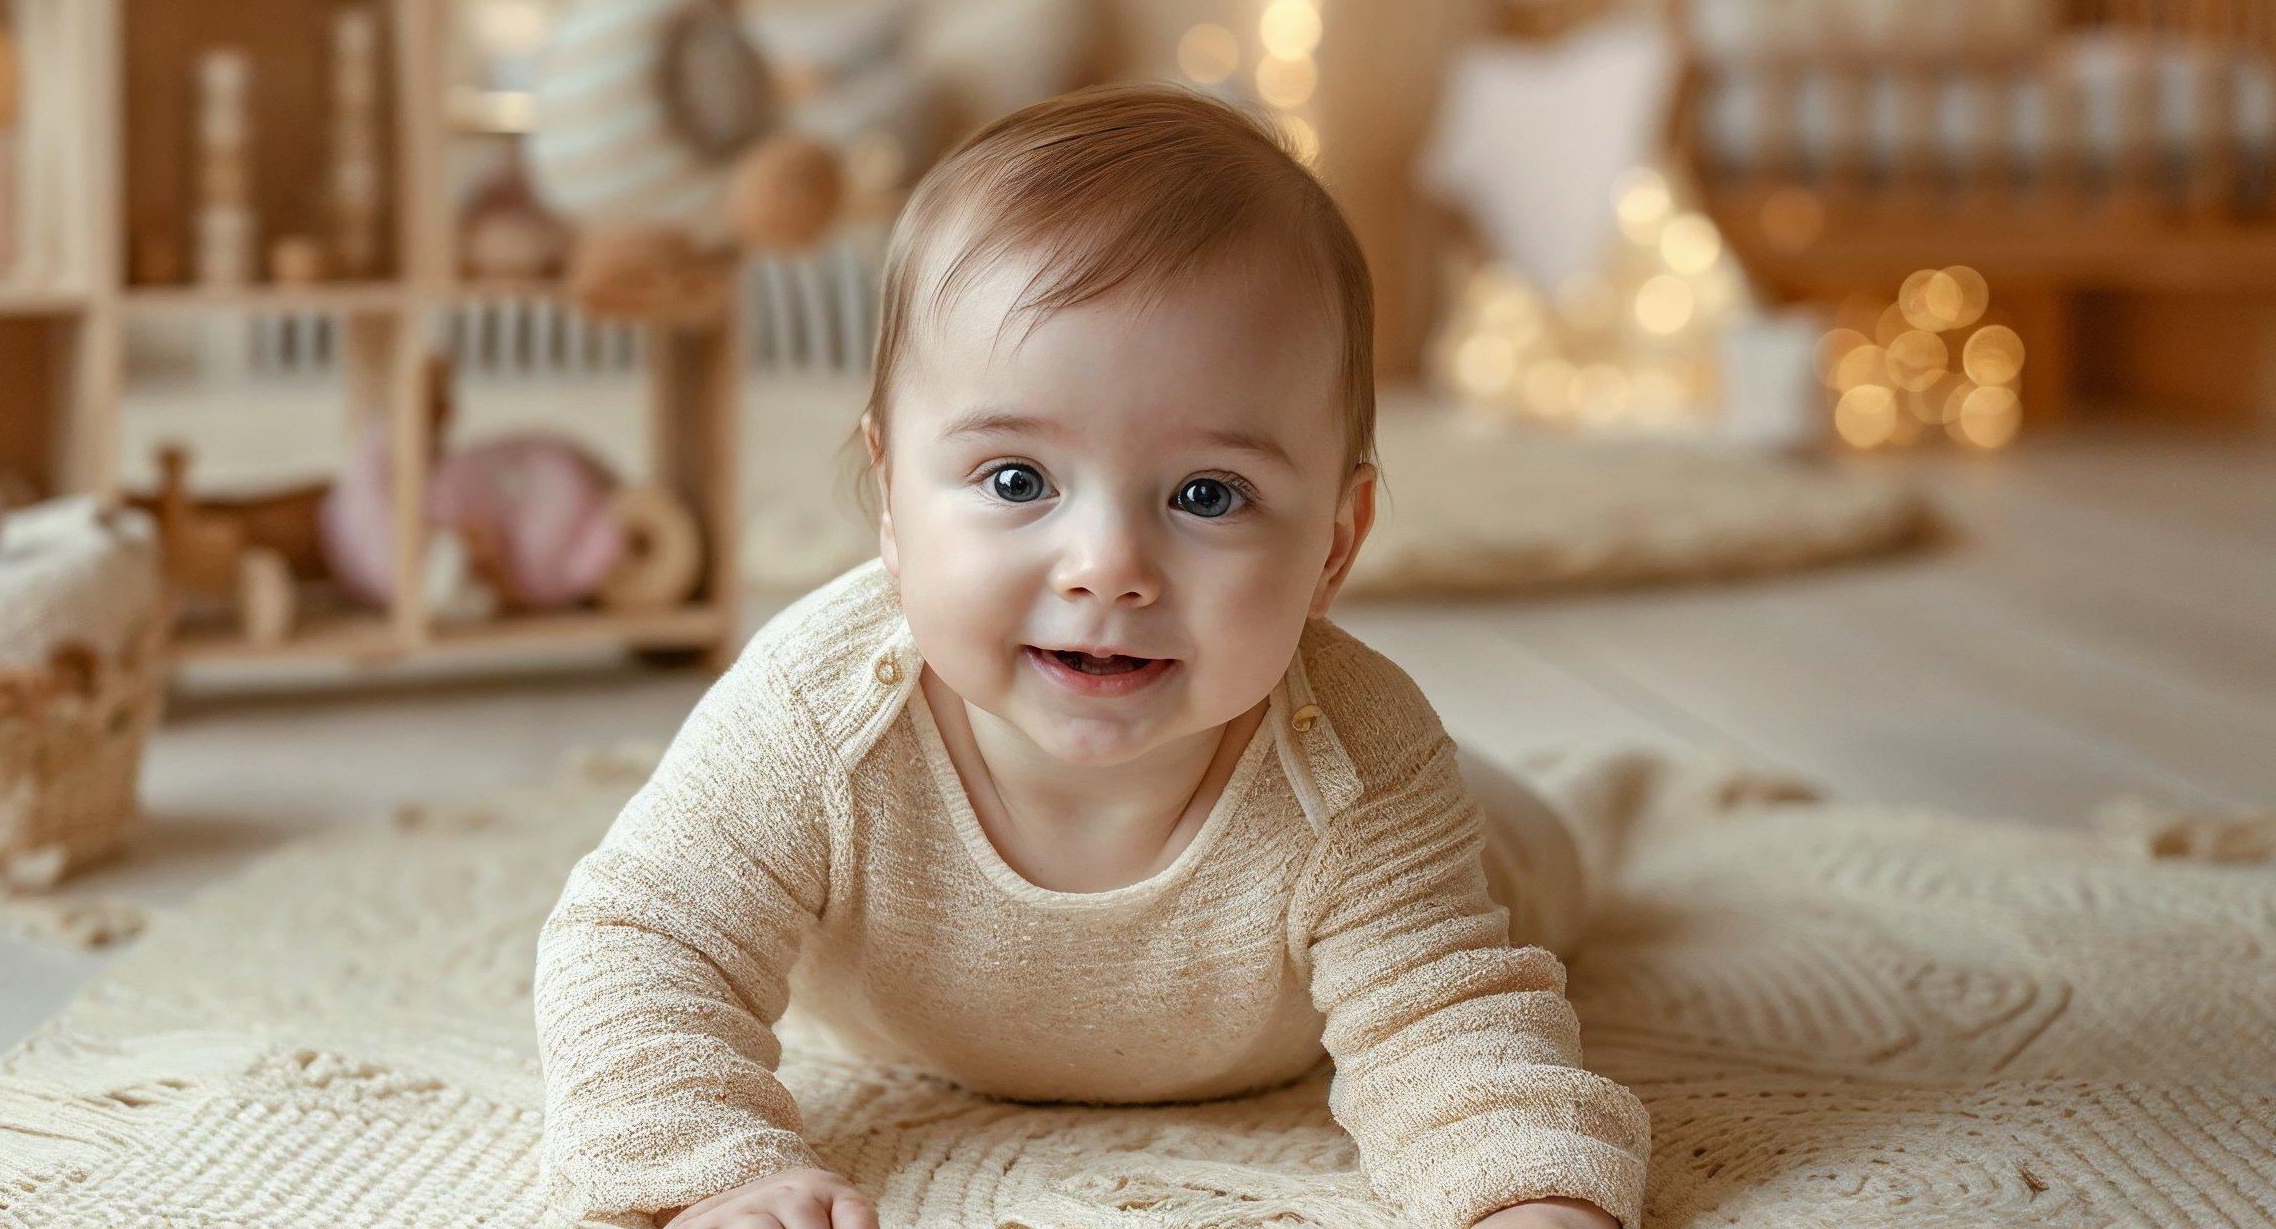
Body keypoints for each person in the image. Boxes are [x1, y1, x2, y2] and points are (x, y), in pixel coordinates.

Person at [535, 84, 1650, 1229]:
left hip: (1481, 855)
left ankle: (1575, 799)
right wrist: (711, 1171)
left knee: (1539, 855)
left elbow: (1448, 1025)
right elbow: (640, 944)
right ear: (889, 500)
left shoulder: (1362, 762)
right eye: (1016, 480)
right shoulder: (812, 711)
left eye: (1207, 494)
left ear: (1335, 543)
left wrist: (1528, 1193)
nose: (1107, 567)